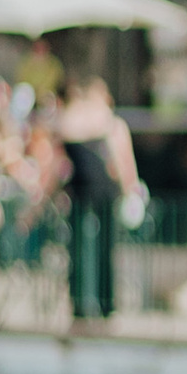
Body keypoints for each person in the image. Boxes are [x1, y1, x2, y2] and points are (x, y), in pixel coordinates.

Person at [57, 76, 143, 325]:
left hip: (80, 191)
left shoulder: (72, 120)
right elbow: (124, 161)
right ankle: (105, 303)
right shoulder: (110, 123)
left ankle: (81, 303)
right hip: (103, 191)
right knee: (103, 246)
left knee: (80, 247)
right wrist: (131, 190)